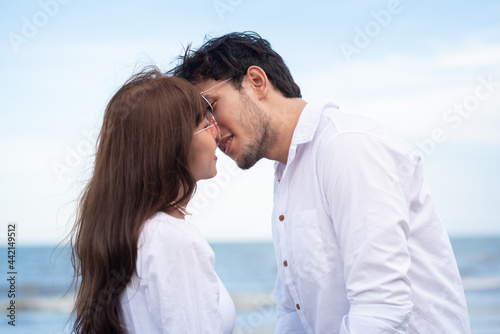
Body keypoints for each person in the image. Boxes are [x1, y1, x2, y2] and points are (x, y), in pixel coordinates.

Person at [169, 32, 471, 333]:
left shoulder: (346, 147)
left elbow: (382, 309)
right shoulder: (286, 172)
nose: (209, 131)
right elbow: (293, 311)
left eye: (211, 106)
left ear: (256, 82)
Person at [69, 67, 235, 334]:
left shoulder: (131, 233)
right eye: (205, 125)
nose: (216, 134)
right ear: (173, 144)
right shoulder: (172, 239)